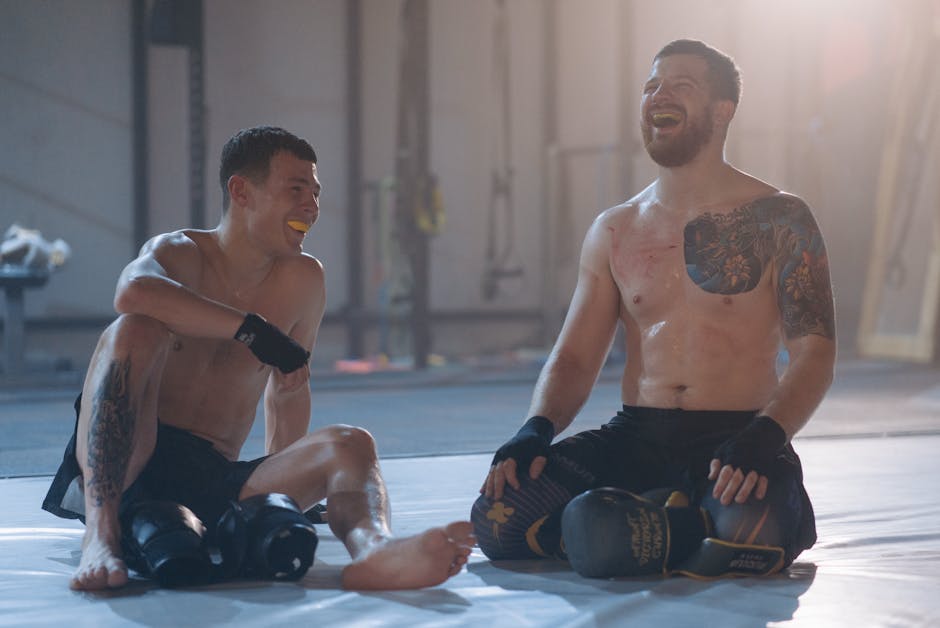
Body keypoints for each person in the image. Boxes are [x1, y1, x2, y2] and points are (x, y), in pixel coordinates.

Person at [43, 126, 473, 591]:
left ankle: (375, 550)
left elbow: (288, 393)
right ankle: (99, 535)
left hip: (215, 479)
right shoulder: (181, 254)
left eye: (316, 192)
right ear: (241, 191)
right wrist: (251, 330)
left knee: (351, 443)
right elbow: (131, 292)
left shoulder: (304, 281)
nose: (311, 205)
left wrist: (286, 498)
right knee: (134, 328)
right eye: (295, 189)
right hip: (130, 466)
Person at [471, 40, 835, 576]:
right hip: (636, 435)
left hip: (737, 439)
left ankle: (623, 532)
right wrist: (535, 430)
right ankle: (675, 529)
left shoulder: (780, 218)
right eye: (650, 87)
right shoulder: (615, 229)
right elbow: (574, 358)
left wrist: (767, 435)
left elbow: (815, 356)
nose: (657, 96)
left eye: (680, 86)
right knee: (499, 520)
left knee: (753, 535)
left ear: (722, 110)